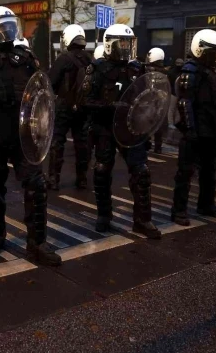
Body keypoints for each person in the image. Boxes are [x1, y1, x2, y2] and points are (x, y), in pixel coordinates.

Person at [0, 6, 61, 265]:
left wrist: (43, 124)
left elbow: (40, 92)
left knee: (36, 187)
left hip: (23, 136)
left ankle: (37, 243)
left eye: (9, 27)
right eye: (0, 29)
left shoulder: (25, 57)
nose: (7, 33)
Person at [81, 24, 161, 239]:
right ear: (110, 45)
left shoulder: (136, 69)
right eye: (121, 44)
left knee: (141, 171)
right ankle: (104, 216)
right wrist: (111, 107)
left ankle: (143, 220)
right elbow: (86, 101)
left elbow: (146, 95)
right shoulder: (96, 69)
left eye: (128, 43)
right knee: (102, 171)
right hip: (105, 128)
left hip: (131, 129)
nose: (125, 48)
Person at [172, 29, 216, 225]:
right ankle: (178, 210)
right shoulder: (191, 70)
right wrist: (190, 130)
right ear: (200, 50)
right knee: (185, 172)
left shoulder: (214, 73)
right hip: (194, 130)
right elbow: (184, 102)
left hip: (209, 131)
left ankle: (206, 204)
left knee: (209, 171)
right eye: (213, 52)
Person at [47, 24, 92, 190]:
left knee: (57, 142)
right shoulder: (89, 59)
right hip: (82, 107)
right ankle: (82, 178)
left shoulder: (64, 58)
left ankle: (53, 179)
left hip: (64, 106)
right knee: (81, 143)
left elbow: (50, 82)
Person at [145, 47, 168, 153]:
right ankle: (158, 146)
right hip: (161, 102)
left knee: (148, 124)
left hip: (150, 101)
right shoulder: (165, 72)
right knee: (159, 125)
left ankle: (147, 144)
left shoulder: (147, 70)